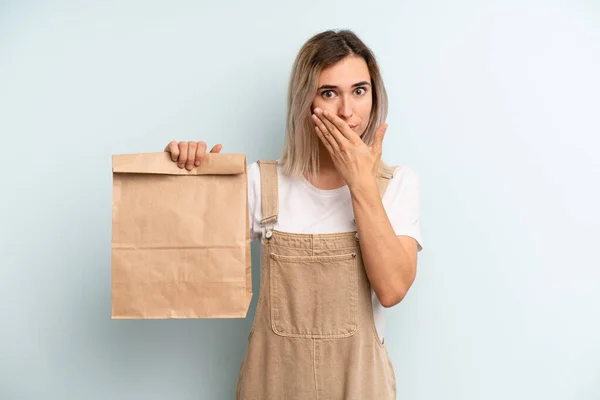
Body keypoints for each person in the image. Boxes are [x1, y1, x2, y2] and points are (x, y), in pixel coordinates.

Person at [164, 29, 423, 400]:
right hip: (272, 384)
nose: (347, 111)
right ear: (306, 101)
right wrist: (182, 170)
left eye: (359, 91)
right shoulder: (261, 183)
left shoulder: (397, 184)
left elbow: (392, 289)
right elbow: (180, 255)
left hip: (360, 386)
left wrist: (360, 183)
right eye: (329, 93)